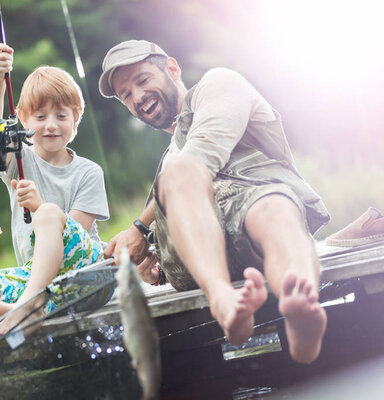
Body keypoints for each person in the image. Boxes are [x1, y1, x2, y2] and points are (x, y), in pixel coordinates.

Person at [98, 40, 331, 364]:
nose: (137, 97)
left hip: (257, 208)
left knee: (273, 207)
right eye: (126, 95)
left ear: (172, 69)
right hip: (203, 259)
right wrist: (158, 268)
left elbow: (203, 154)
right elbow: (182, 187)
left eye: (142, 80)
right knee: (178, 171)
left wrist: (139, 226)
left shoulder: (219, 85)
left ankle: (300, 305)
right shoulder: (169, 159)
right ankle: (224, 301)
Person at [0, 43, 110, 336]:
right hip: (35, 283)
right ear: (23, 118)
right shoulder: (16, 158)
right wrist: (0, 76)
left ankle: (27, 307)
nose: (51, 125)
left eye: (61, 116)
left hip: (85, 280)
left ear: (76, 119)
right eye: (40, 117)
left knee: (49, 213)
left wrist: (40, 207)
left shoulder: (89, 172)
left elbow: (77, 232)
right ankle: (11, 315)